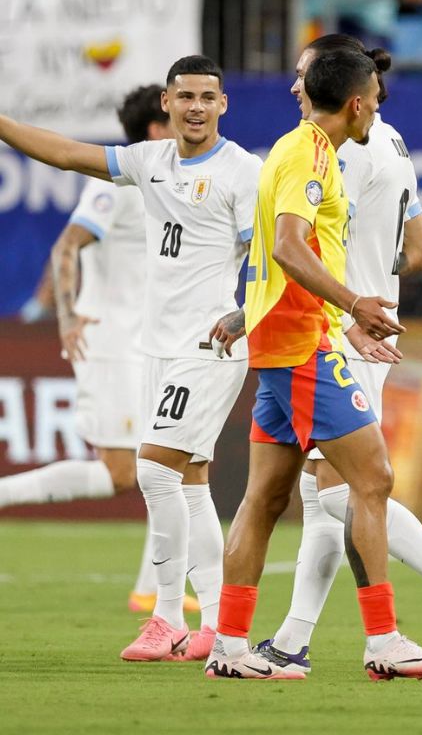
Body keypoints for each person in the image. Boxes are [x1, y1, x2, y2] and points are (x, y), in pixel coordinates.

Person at [255, 34, 422, 678]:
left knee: (348, 494)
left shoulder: (335, 154)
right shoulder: (392, 141)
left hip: (338, 327)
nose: (296, 89)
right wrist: (376, 279)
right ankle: (292, 639)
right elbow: (419, 253)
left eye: (304, 76)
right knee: (323, 496)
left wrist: (349, 296)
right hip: (368, 321)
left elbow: (296, 244)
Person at [203, 49, 422, 682]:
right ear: (354, 102)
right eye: (374, 96)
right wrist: (353, 306)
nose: (378, 105)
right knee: (370, 481)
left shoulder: (294, 152)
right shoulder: (311, 153)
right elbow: (288, 246)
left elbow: (277, 246)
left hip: (281, 337)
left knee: (264, 498)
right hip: (300, 342)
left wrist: (270, 315)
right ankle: (384, 640)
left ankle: (231, 647)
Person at [0, 56, 261, 664]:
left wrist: (244, 313)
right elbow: (66, 153)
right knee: (191, 483)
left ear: (224, 105)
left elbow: (266, 255)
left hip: (211, 343)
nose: (196, 106)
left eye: (208, 96)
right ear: (166, 105)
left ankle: (166, 616)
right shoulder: (149, 162)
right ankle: (219, 625)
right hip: (156, 346)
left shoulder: (242, 171)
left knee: (152, 471)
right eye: (185, 96)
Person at [0, 85, 203, 616]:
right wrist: (66, 318)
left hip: (150, 343)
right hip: (110, 341)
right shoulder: (118, 184)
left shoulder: (172, 184)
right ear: (156, 129)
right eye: (174, 112)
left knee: (167, 465)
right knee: (125, 473)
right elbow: (66, 244)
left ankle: (151, 591)